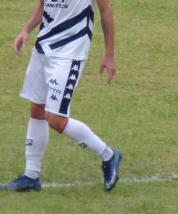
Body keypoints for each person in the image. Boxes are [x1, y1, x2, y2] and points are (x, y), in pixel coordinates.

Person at [3, 0, 122, 193]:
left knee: (56, 119)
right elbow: (43, 4)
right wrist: (26, 30)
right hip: (43, 47)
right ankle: (31, 176)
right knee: (37, 109)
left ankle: (108, 155)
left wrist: (109, 55)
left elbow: (106, 10)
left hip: (69, 53)